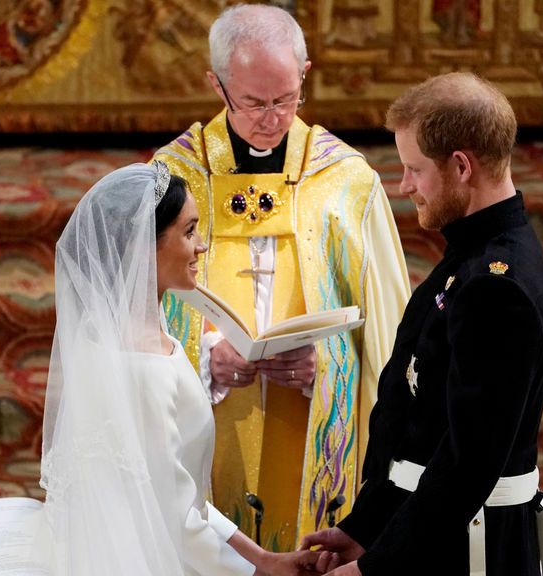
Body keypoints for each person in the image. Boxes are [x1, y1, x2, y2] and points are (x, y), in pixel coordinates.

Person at [152, 4, 410, 548]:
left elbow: (390, 334)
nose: (272, 118)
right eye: (252, 102)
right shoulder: (172, 176)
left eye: (286, 99)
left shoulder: (347, 181)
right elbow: (133, 310)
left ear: (305, 75)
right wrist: (204, 360)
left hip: (314, 428)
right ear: (216, 86)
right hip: (212, 423)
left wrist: (329, 366)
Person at [300, 72, 543, 575]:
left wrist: (377, 566)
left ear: (461, 166)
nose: (405, 186)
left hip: (468, 546)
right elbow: (418, 420)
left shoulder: (495, 286)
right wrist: (367, 525)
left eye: (415, 169)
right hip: (434, 531)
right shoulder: (472, 254)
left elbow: (467, 465)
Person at [39, 161, 338, 575]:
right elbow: (175, 517)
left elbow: (184, 497)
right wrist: (256, 572)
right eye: (189, 231)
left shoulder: (124, 334)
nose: (201, 247)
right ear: (146, 246)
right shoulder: (142, 363)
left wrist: (265, 558)